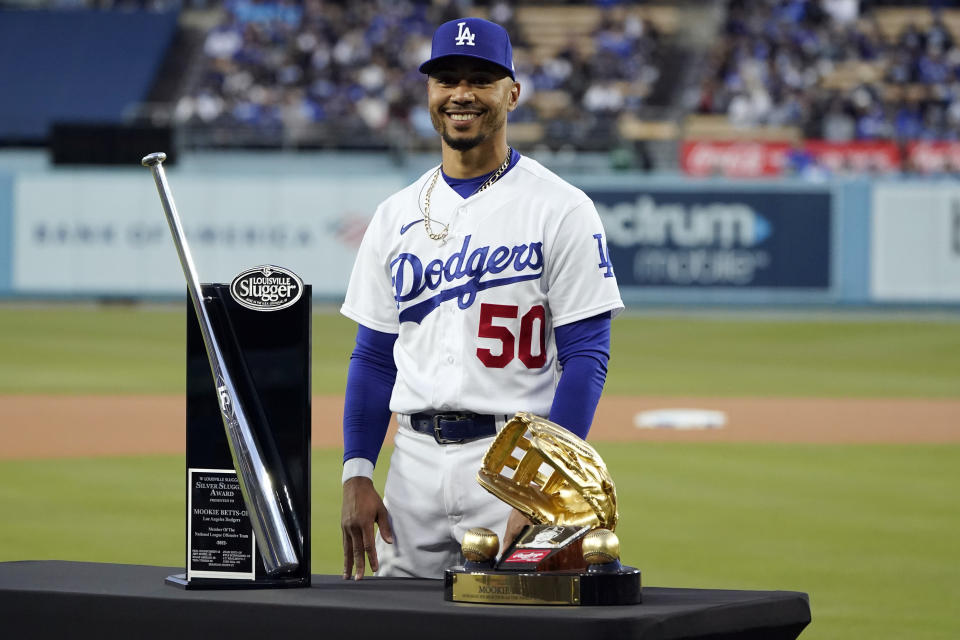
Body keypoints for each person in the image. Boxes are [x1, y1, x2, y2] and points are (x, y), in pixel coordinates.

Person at [339, 17, 623, 580]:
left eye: (480, 79)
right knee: (398, 627)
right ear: (429, 92)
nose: (461, 93)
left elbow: (587, 356)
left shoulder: (560, 207)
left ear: (512, 93)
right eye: (446, 79)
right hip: (412, 467)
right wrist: (356, 470)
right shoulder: (396, 214)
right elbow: (372, 356)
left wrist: (544, 483)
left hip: (513, 457)